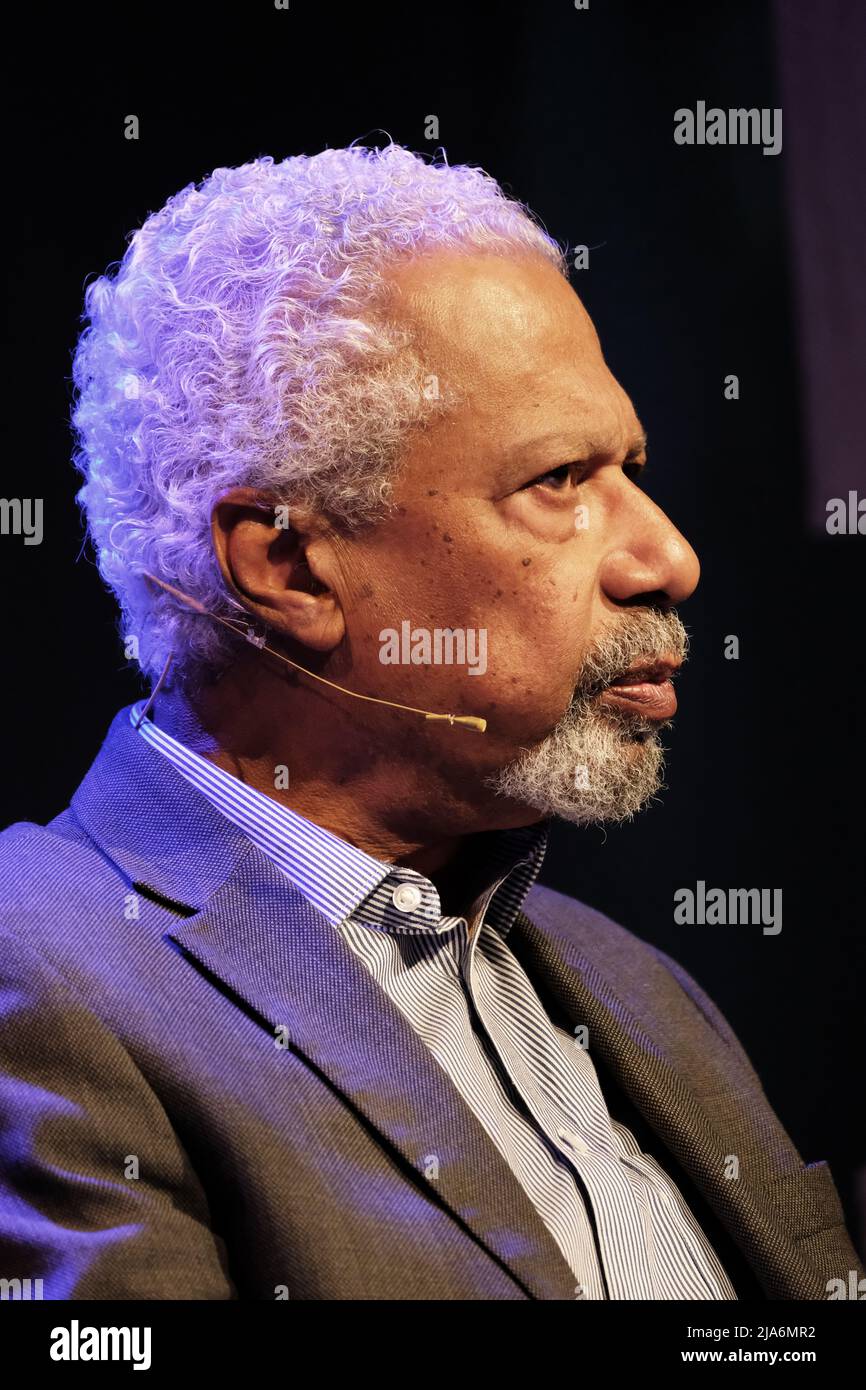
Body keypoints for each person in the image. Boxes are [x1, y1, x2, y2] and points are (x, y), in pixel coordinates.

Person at [0, 144, 861, 1300]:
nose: (667, 556)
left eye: (632, 468)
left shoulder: (645, 993)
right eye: (558, 479)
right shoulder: (40, 973)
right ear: (290, 566)